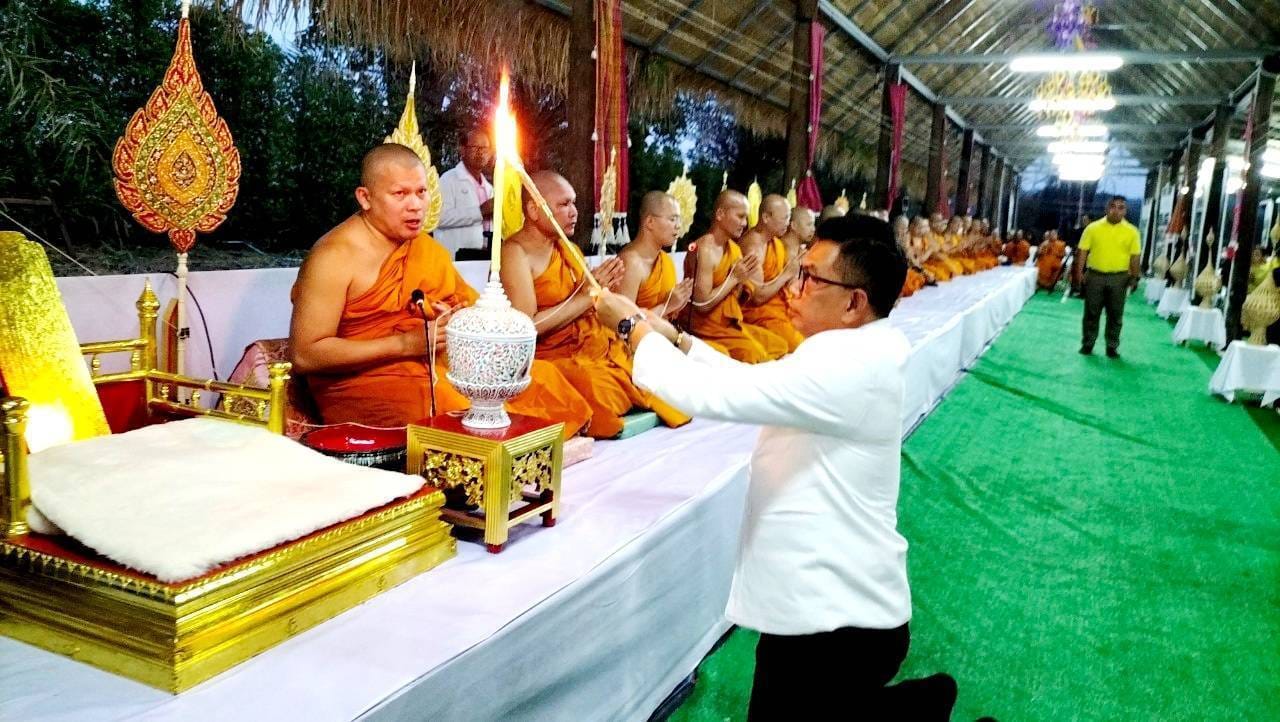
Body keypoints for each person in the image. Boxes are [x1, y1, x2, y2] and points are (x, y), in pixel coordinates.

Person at [594, 215, 957, 720]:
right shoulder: (854, 347)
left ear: (854, 303)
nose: (793, 285)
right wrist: (677, 340)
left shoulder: (849, 367)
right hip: (825, 603)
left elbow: (719, 394)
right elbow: (755, 379)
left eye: (809, 277)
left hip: (837, 617)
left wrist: (631, 328)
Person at [288, 144, 591, 438]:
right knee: (463, 413)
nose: (416, 205)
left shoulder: (424, 249)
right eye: (400, 194)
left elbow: (466, 303)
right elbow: (305, 354)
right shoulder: (334, 256)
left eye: (421, 192)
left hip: (431, 362)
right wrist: (406, 344)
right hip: (364, 381)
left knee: (540, 379)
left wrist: (457, 319)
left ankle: (525, 458)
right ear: (365, 198)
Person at [500, 170, 691, 438]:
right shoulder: (515, 252)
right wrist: (587, 295)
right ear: (533, 209)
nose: (574, 212)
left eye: (574, 203)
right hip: (548, 355)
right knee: (596, 384)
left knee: (644, 363)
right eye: (564, 204)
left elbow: (589, 304)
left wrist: (603, 293)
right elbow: (527, 326)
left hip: (589, 343)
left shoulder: (569, 249)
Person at [684, 190, 789, 362]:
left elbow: (737, 301)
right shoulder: (704, 249)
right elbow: (702, 304)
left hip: (729, 324)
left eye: (746, 218)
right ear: (720, 214)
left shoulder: (734, 249)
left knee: (779, 346)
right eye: (740, 217)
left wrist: (742, 283)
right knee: (755, 355)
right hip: (703, 328)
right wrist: (734, 278)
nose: (744, 223)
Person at [1074, 196, 1141, 358]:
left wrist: (1134, 277)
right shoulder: (1092, 228)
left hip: (1119, 278)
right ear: (1106, 209)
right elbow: (1082, 251)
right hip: (1095, 276)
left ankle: (1112, 346)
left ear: (1125, 211)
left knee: (1116, 314)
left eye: (1120, 207)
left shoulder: (1132, 231)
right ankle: (1088, 344)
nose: (1116, 210)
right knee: (1091, 312)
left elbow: (1135, 256)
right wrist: (1078, 273)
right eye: (1113, 206)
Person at [741, 194, 804, 353]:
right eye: (784, 218)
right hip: (757, 313)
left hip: (778, 307)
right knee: (798, 344)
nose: (788, 224)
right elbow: (757, 297)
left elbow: (784, 282)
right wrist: (787, 274)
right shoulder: (754, 245)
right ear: (766, 217)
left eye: (789, 218)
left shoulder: (775, 242)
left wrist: (796, 271)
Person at [618, 191, 693, 319]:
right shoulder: (630, 263)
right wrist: (666, 306)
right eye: (672, 219)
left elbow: (668, 315)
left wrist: (677, 305)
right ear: (650, 222)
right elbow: (623, 324)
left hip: (663, 334)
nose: (678, 226)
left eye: (679, 220)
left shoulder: (665, 260)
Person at [435, 129, 494, 260]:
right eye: (475, 147)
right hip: (454, 260)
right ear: (462, 150)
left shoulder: (489, 188)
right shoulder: (448, 179)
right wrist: (480, 211)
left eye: (485, 148)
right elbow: (439, 218)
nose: (481, 153)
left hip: (484, 258)